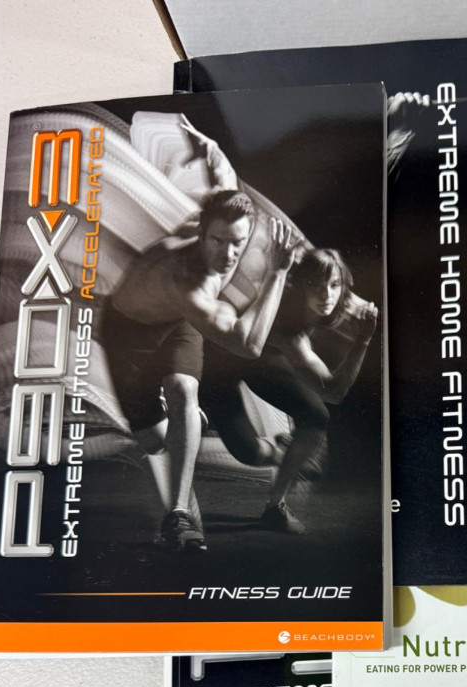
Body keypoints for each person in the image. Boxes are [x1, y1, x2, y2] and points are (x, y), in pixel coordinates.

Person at [103, 116, 295, 550]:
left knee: (183, 390)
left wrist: (208, 145)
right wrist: (277, 274)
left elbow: (225, 181)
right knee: (154, 441)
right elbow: (249, 344)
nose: (228, 254)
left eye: (237, 243)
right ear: (201, 232)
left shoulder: (217, 223)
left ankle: (177, 516)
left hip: (175, 325)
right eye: (217, 242)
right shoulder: (188, 284)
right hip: (126, 333)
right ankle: (185, 428)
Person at [199, 247, 378, 534]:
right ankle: (279, 453)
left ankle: (275, 508)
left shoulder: (329, 303)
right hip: (220, 366)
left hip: (262, 358)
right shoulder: (289, 330)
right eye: (316, 286)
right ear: (302, 286)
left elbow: (332, 394)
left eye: (333, 285)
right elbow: (334, 393)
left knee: (316, 416)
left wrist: (362, 334)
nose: (326, 295)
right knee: (249, 453)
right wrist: (362, 342)